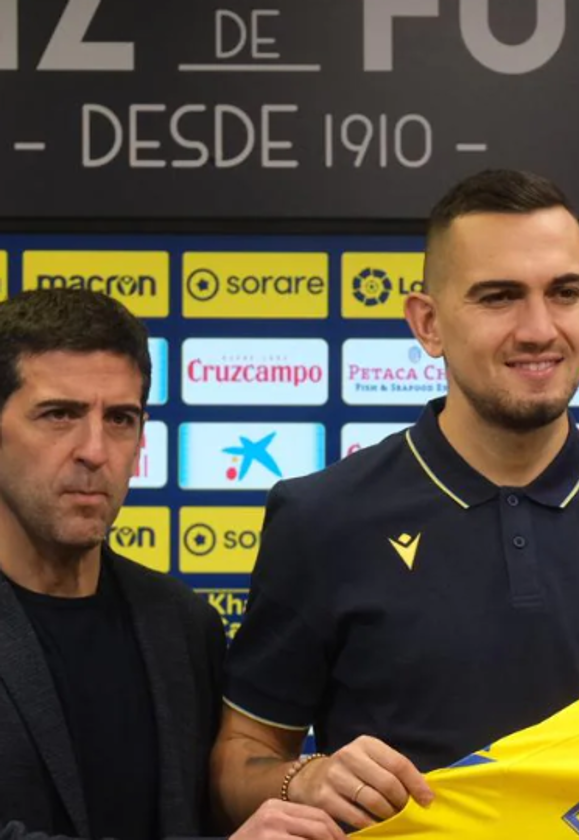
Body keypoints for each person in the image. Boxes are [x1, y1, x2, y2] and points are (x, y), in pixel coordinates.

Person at [211, 169, 579, 830]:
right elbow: (239, 760)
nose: (540, 328)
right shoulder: (321, 519)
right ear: (427, 323)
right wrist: (304, 778)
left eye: (565, 293)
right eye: (499, 297)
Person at [0, 289, 344, 840]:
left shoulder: (182, 624)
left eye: (120, 419)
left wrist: (295, 784)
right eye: (59, 415)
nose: (95, 449)